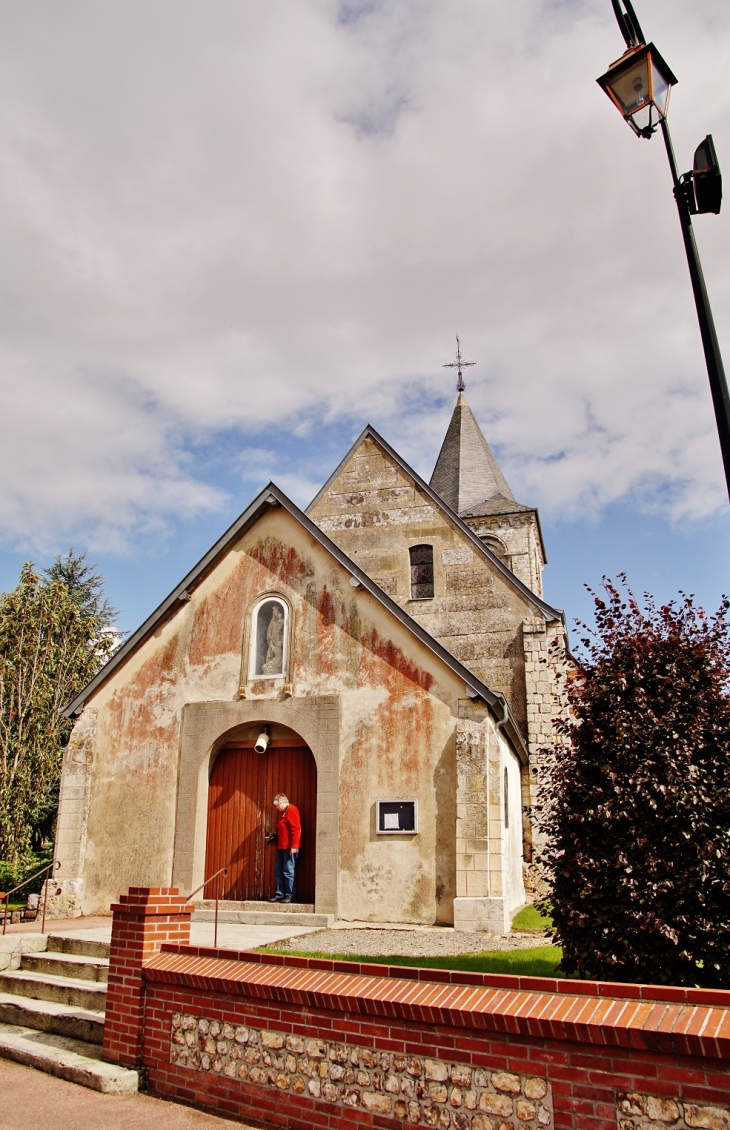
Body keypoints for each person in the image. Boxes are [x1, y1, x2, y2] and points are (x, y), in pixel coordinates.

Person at [266, 793, 301, 903]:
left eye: (277, 805)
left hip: (289, 847)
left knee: (288, 870)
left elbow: (296, 829)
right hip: (282, 846)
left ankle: (290, 895)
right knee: (278, 870)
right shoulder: (284, 812)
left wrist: (294, 846)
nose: (276, 808)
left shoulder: (292, 810)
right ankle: (279, 894)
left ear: (282, 802)